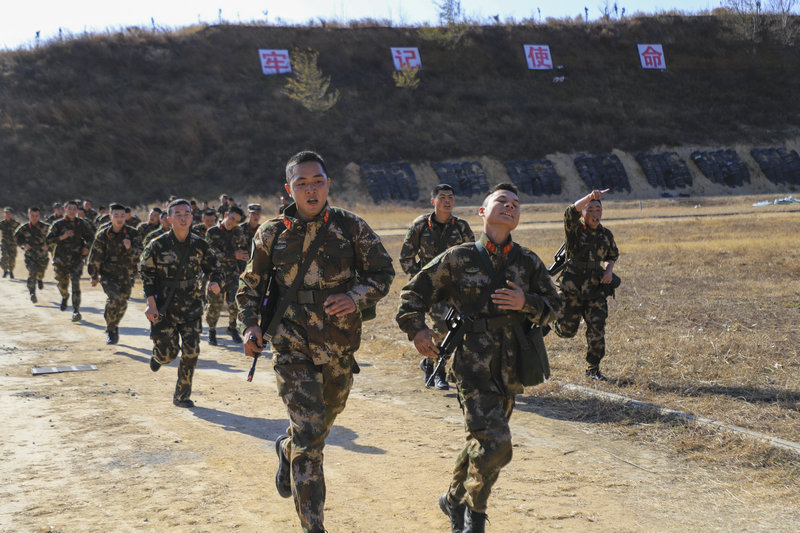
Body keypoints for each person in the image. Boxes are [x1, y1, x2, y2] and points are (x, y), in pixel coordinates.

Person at [237, 151, 394, 533]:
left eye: (317, 181)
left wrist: (355, 296)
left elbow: (383, 272)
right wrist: (249, 326)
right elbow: (250, 286)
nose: (311, 189)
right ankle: (314, 526)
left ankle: (285, 448)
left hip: (339, 344)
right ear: (288, 189)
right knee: (312, 440)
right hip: (291, 343)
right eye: (302, 183)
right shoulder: (271, 233)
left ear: (328, 184)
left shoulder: (351, 226)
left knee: (321, 423)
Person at [396, 183, 562, 533]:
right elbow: (413, 293)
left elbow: (556, 307)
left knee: (481, 443)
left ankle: (452, 498)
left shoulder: (527, 261)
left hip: (512, 368)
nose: (510, 207)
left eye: (516, 204)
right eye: (501, 201)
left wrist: (526, 303)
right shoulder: (458, 257)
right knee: (498, 446)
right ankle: (475, 514)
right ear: (482, 212)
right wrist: (418, 331)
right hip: (471, 368)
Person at [140, 199, 223, 408]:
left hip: (192, 306)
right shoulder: (157, 245)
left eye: (187, 213)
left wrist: (215, 281)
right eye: (178, 214)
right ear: (169, 219)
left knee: (191, 352)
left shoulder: (199, 244)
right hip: (164, 306)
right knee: (169, 354)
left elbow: (215, 267)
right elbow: (147, 275)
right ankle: (159, 357)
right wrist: (151, 304)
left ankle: (182, 395)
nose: (183, 217)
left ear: (192, 217)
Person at [399, 183, 475, 390]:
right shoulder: (420, 225)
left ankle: (436, 365)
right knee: (440, 327)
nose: (447, 201)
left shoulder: (462, 227)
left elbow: (473, 256)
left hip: (456, 288)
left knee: (462, 330)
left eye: (450, 197)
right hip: (432, 290)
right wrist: (420, 281)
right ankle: (437, 371)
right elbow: (406, 257)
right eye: (442, 197)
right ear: (433, 201)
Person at [551, 188, 619, 381]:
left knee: (597, 328)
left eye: (598, 209)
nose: (595, 213)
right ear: (583, 213)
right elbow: (569, 212)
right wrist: (590, 196)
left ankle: (593, 369)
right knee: (566, 331)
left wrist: (608, 270)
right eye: (590, 209)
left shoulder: (606, 234)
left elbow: (612, 256)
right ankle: (550, 321)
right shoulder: (575, 230)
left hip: (595, 288)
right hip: (572, 286)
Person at [87, 203, 142, 344]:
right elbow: (95, 256)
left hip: (127, 275)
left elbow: (141, 254)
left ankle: (113, 323)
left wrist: (130, 248)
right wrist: (94, 275)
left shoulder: (133, 233)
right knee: (115, 298)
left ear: (126, 217)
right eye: (116, 216)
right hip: (108, 275)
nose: (119, 219)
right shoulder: (103, 234)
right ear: (110, 216)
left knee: (122, 303)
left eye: (122, 216)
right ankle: (112, 330)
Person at [204, 205, 249, 345]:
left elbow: (243, 252)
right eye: (231, 218)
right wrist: (233, 255)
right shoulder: (212, 232)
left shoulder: (238, 232)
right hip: (216, 275)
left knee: (234, 304)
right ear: (225, 214)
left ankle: (232, 328)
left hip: (233, 275)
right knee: (214, 306)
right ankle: (212, 331)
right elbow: (211, 253)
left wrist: (243, 266)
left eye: (236, 221)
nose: (232, 223)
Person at [46, 200, 94, 321]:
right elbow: (49, 241)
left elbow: (91, 237)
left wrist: (87, 247)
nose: (72, 211)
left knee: (76, 283)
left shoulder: (82, 223)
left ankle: (76, 311)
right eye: (69, 209)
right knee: (62, 283)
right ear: (65, 210)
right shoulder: (58, 224)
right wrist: (62, 237)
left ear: (77, 210)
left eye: (74, 209)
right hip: (60, 259)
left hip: (76, 259)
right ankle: (64, 295)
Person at [14, 207, 50, 302]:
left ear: (39, 216)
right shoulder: (24, 228)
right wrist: (24, 244)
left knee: (40, 272)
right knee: (32, 272)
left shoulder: (46, 227)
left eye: (36, 216)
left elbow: (53, 238)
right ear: (28, 215)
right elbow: (16, 238)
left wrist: (48, 245)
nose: (34, 218)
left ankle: (40, 279)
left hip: (43, 255)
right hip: (30, 255)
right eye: (32, 215)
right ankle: (32, 292)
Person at [1, 207, 21, 279]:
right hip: (4, 243)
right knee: (4, 257)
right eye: (6, 213)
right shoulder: (2, 223)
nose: (7, 214)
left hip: (13, 244)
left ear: (12, 214)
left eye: (9, 213)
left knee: (12, 259)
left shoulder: (16, 224)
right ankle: (5, 270)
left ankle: (11, 271)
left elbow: (21, 234)